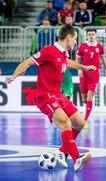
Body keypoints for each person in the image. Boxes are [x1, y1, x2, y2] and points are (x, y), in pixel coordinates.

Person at [5, 25, 95, 171]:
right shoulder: (48, 51)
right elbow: (27, 62)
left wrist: (83, 67)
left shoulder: (64, 54)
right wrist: (14, 76)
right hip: (45, 96)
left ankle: (62, 151)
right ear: (69, 37)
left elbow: (68, 63)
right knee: (65, 122)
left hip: (58, 95)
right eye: (75, 40)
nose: (75, 43)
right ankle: (76, 158)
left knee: (79, 123)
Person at [76, 29, 106, 129]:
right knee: (84, 97)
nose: (91, 36)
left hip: (95, 74)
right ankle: (85, 110)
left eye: (92, 34)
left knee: (90, 96)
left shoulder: (99, 46)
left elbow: (103, 59)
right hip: (84, 73)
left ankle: (84, 121)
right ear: (87, 36)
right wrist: (79, 69)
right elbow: (77, 59)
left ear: (95, 36)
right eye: (89, 34)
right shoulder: (82, 46)